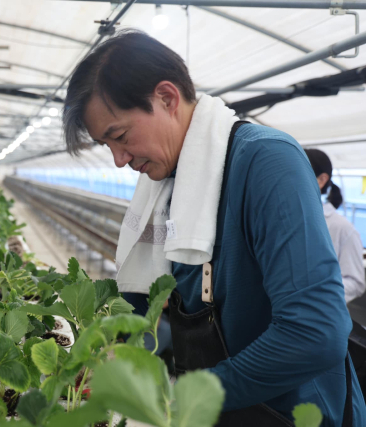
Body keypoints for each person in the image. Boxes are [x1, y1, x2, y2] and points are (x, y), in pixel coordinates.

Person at [63, 30, 365, 426]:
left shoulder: (265, 162)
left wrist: (182, 397)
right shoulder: (169, 186)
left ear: (167, 98)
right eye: (106, 145)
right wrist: (107, 349)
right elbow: (151, 298)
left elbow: (314, 333)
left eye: (119, 136)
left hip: (291, 413)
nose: (119, 160)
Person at [304, 149, 365, 304]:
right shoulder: (284, 218)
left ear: (321, 180)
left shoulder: (342, 228)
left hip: (315, 315)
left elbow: (355, 282)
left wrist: (313, 293)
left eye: (297, 173)